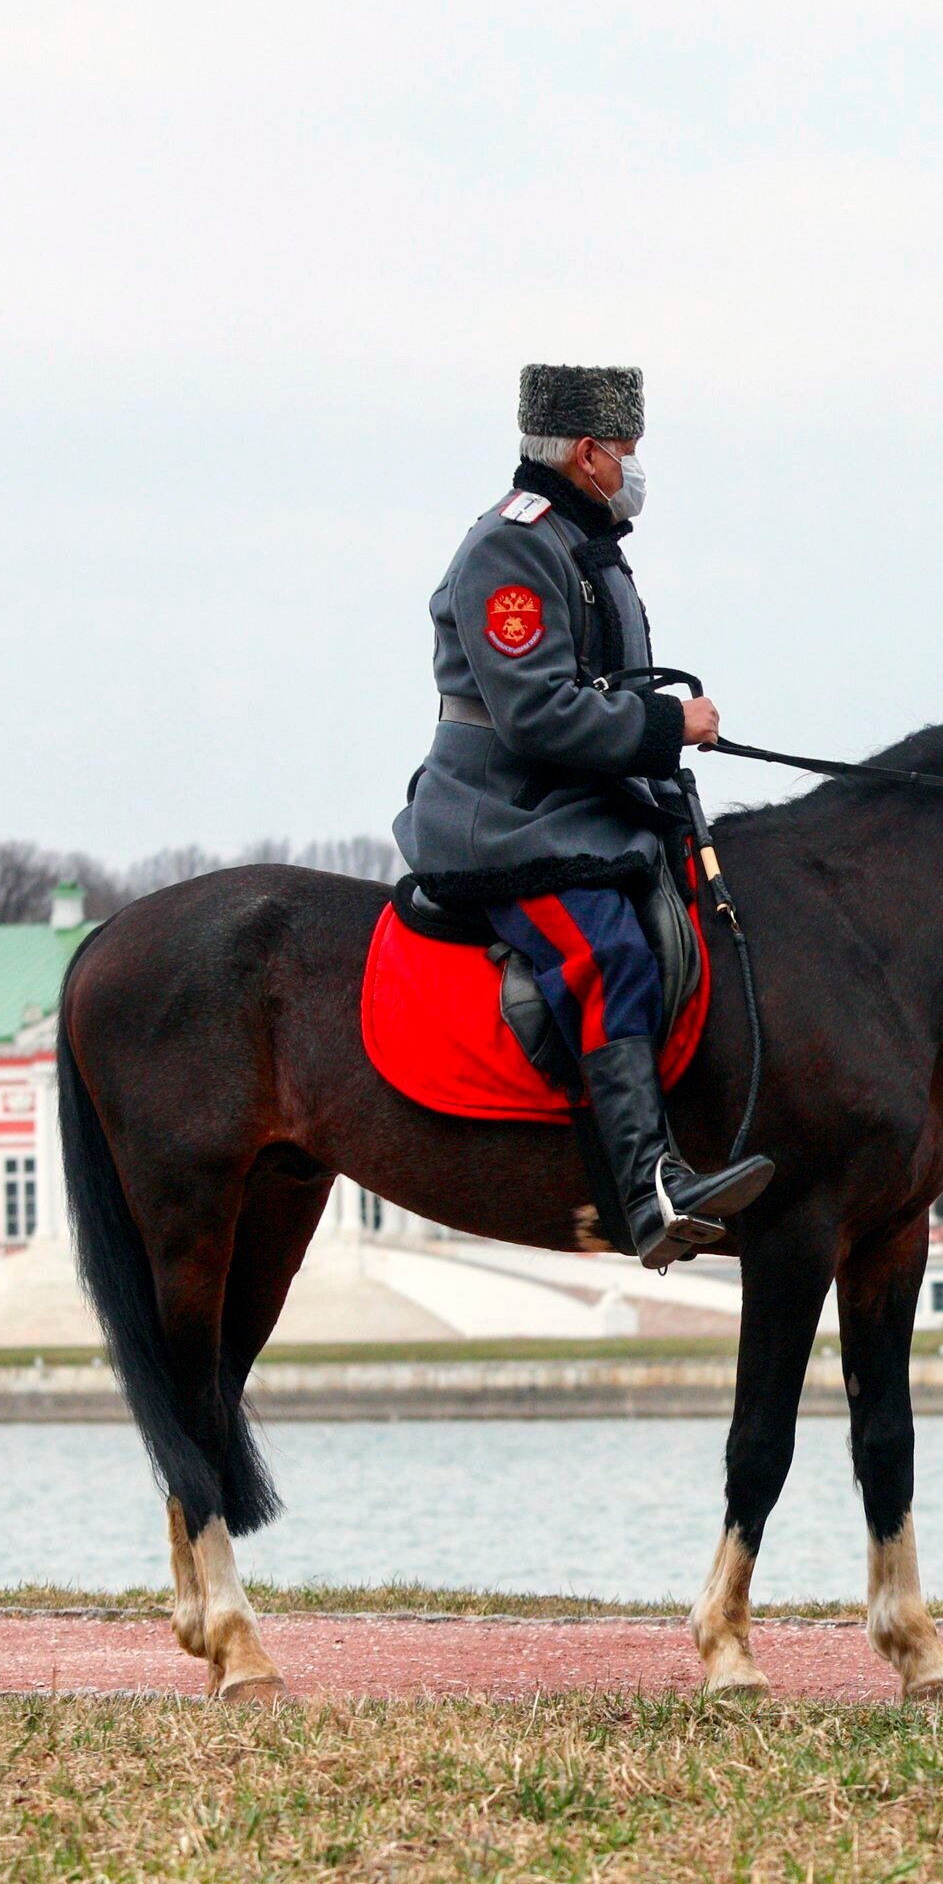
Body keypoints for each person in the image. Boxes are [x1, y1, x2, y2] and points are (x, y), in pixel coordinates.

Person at [391, 363, 772, 1266]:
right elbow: (535, 713)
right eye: (629, 450)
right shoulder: (511, 547)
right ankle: (648, 1188)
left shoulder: (585, 539)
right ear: (590, 453)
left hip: (579, 804)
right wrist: (668, 725)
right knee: (603, 950)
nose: (637, 468)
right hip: (506, 815)